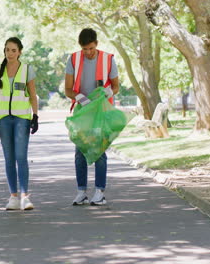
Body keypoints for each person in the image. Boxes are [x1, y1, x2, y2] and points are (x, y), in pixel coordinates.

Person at [65, 28, 120, 206]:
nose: (88, 53)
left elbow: (116, 86)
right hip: (82, 111)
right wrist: (80, 97)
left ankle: (99, 192)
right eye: (84, 49)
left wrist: (108, 91)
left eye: (91, 48)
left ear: (96, 44)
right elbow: (67, 88)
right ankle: (81, 192)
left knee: (100, 151)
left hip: (101, 111)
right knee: (80, 151)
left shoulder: (108, 59)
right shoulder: (73, 59)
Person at [0, 37, 39, 210]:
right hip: (3, 119)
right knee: (9, 158)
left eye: (14, 50)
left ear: (20, 52)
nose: (10, 53)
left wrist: (35, 116)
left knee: (21, 157)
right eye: (7, 50)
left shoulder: (26, 70)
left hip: (22, 118)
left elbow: (32, 94)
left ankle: (25, 197)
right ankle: (13, 197)